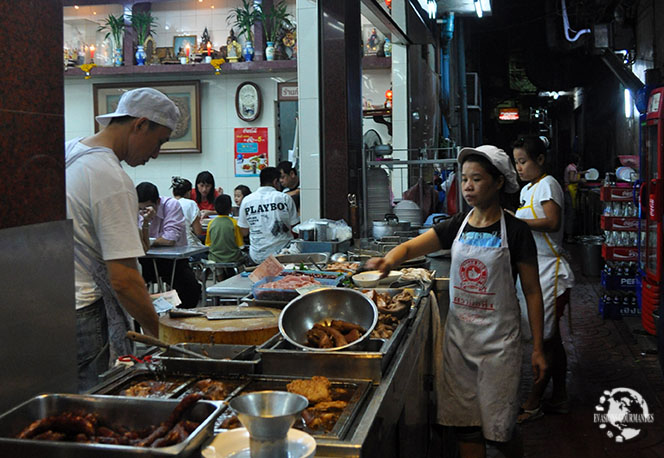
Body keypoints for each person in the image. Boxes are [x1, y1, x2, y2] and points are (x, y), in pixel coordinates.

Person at [366, 145, 547, 458]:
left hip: (498, 347)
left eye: (477, 179)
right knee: (466, 427)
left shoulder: (516, 231)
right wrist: (388, 260)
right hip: (459, 343)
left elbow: (532, 291)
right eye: (464, 179)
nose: (468, 186)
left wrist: (538, 348)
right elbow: (410, 248)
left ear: (499, 182)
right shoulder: (457, 225)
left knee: (501, 430)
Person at [65, 87, 176, 391]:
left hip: (56, 305)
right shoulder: (110, 177)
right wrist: (165, 337)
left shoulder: (70, 150)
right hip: (86, 314)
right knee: (91, 408)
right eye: (160, 142)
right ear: (140, 125)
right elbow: (124, 279)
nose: (156, 153)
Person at [511, 135, 575, 422]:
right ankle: (559, 395)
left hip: (549, 273)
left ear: (540, 159)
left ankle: (534, 400)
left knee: (544, 340)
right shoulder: (528, 189)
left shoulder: (549, 185)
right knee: (551, 339)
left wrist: (516, 222)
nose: (519, 168)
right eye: (516, 163)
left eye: (523, 162)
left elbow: (552, 222)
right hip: (535, 271)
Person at [136, 182, 202, 309]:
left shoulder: (171, 205)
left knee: (190, 290)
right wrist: (145, 223)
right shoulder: (134, 208)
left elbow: (170, 239)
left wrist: (146, 240)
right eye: (140, 209)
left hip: (172, 259)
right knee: (131, 291)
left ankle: (179, 321)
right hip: (144, 259)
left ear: (157, 202)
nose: (143, 212)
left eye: (147, 208)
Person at [237, 167, 299, 264]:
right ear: (275, 182)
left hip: (257, 256)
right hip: (282, 256)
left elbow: (244, 231)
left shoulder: (247, 200)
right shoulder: (284, 198)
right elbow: (295, 227)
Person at [205, 194, 245, 264]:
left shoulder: (211, 223)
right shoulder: (234, 223)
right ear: (230, 209)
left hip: (215, 258)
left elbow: (208, 244)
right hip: (233, 257)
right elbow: (240, 245)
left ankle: (220, 274)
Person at [171, 176, 204, 246]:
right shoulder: (190, 204)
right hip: (189, 246)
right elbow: (198, 231)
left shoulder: (168, 204)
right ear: (189, 192)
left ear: (173, 192)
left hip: (171, 246)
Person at [563, 154, 586, 241]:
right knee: (571, 213)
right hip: (570, 190)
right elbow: (572, 179)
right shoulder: (572, 168)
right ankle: (569, 236)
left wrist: (584, 172)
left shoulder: (570, 167)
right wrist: (581, 180)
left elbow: (575, 174)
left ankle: (567, 234)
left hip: (568, 190)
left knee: (569, 212)